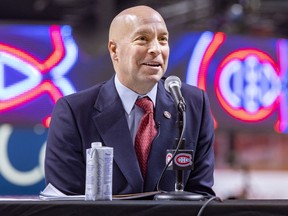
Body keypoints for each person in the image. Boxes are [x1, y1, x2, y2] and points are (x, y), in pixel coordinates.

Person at [44, 5, 216, 197]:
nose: (155, 49)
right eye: (142, 39)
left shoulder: (193, 104)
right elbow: (65, 201)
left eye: (162, 40)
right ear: (114, 49)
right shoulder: (73, 112)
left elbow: (201, 196)